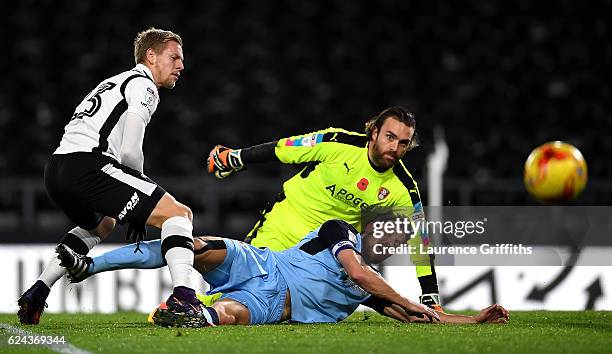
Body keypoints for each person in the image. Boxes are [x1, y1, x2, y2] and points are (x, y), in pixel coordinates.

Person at [18, 28, 208, 326]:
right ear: (151, 56)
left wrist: (134, 202)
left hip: (56, 169)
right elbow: (131, 152)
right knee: (178, 214)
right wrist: (141, 202)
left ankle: (37, 292)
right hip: (88, 166)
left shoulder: (113, 82)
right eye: (174, 57)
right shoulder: (144, 86)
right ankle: (185, 296)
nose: (181, 65)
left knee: (101, 224)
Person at [55, 219, 509, 327]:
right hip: (258, 262)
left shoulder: (367, 290)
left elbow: (411, 315)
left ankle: (194, 315)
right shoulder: (341, 233)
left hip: (276, 303)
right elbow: (363, 275)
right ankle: (89, 264)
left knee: (227, 316)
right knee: (194, 246)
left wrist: (467, 320)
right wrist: (410, 300)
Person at [206, 106, 442, 310]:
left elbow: (420, 243)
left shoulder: (403, 187)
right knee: (242, 276)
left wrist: (431, 297)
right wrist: (235, 158)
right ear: (374, 132)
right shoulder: (337, 142)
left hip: (324, 251)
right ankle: (194, 306)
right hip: (283, 224)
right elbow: (284, 149)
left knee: (278, 302)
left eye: (403, 143)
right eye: (389, 137)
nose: (395, 147)